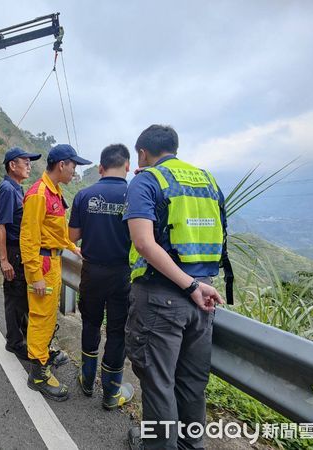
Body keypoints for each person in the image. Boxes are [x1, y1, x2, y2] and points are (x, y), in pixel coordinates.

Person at [123, 125, 226, 450]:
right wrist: (199, 284)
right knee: (192, 385)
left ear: (142, 153)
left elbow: (143, 243)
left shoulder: (147, 180)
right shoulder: (208, 181)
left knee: (158, 384)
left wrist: (188, 284)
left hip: (163, 299)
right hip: (204, 299)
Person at [20, 143, 90, 401]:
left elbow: (55, 231)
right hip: (42, 265)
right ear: (62, 165)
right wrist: (35, 275)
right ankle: (37, 374)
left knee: (48, 315)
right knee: (40, 316)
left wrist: (72, 247)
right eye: (74, 166)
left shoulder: (54, 191)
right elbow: (28, 238)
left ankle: (43, 353)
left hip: (53, 262)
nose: (75, 171)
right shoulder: (39, 194)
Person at [68, 144, 135, 410]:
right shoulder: (135, 195)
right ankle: (110, 393)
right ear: (127, 166)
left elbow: (72, 237)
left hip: (91, 272)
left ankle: (86, 380)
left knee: (91, 324)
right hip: (122, 274)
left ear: (100, 168)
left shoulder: (85, 195)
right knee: (117, 331)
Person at [0, 147, 41, 360]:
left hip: (19, 250)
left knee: (21, 296)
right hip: (13, 252)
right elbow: (1, 225)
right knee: (14, 297)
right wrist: (4, 260)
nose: (29, 166)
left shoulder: (16, 188)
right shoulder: (8, 189)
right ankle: (14, 342)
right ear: (13, 165)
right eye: (26, 162)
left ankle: (21, 335)